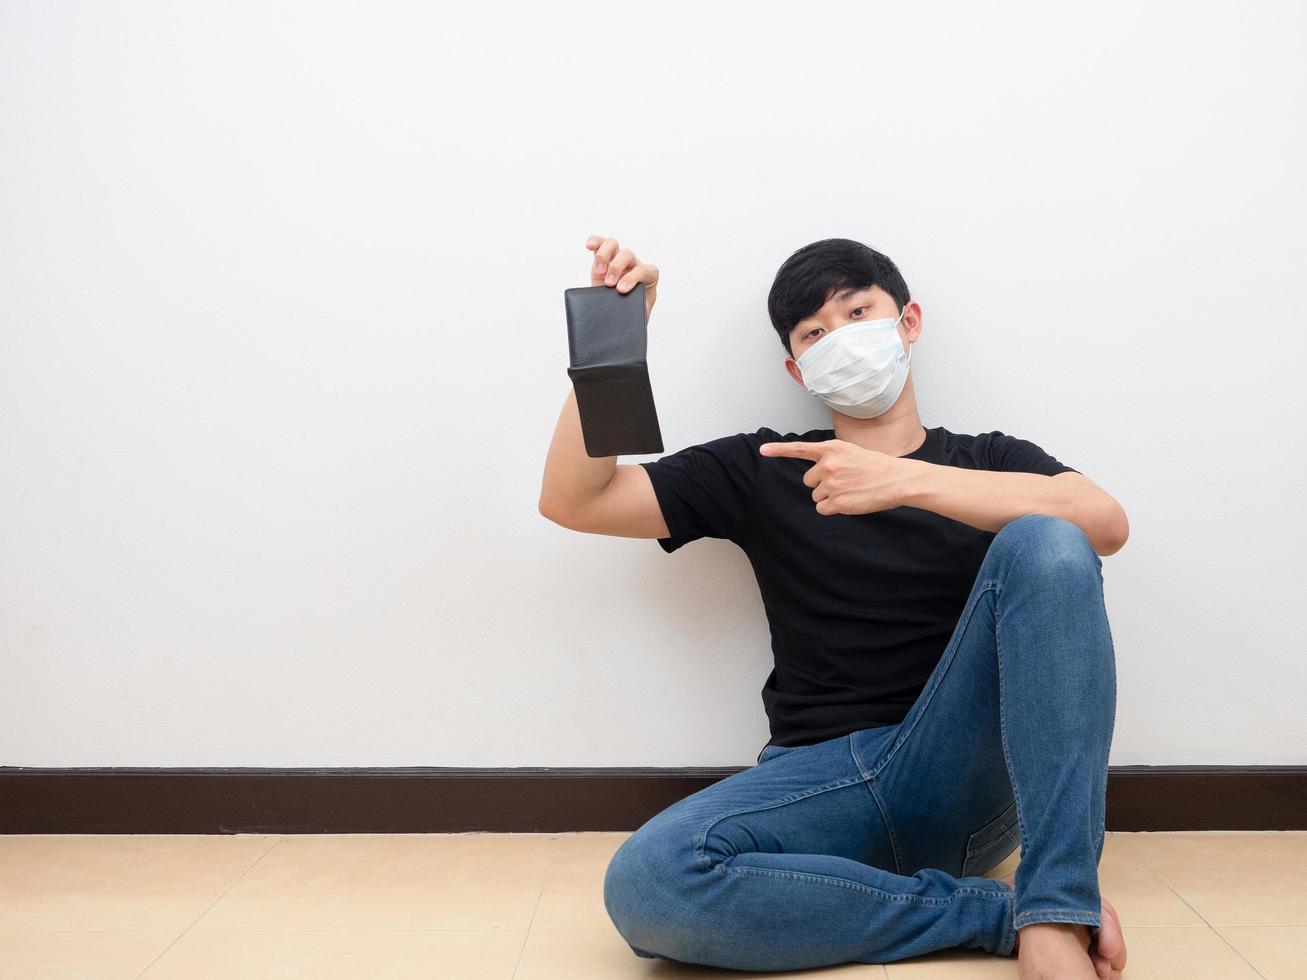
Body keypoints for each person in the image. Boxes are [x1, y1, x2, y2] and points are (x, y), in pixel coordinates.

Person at [538, 235, 1130, 980]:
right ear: (796, 368)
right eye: (815, 333)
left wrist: (903, 482)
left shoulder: (985, 461)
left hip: (960, 773)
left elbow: (1102, 523)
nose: (841, 339)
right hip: (821, 785)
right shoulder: (766, 468)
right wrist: (615, 336)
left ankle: (1056, 908)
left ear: (907, 322)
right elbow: (575, 500)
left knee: (1050, 537)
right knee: (649, 883)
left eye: (858, 313)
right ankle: (996, 914)